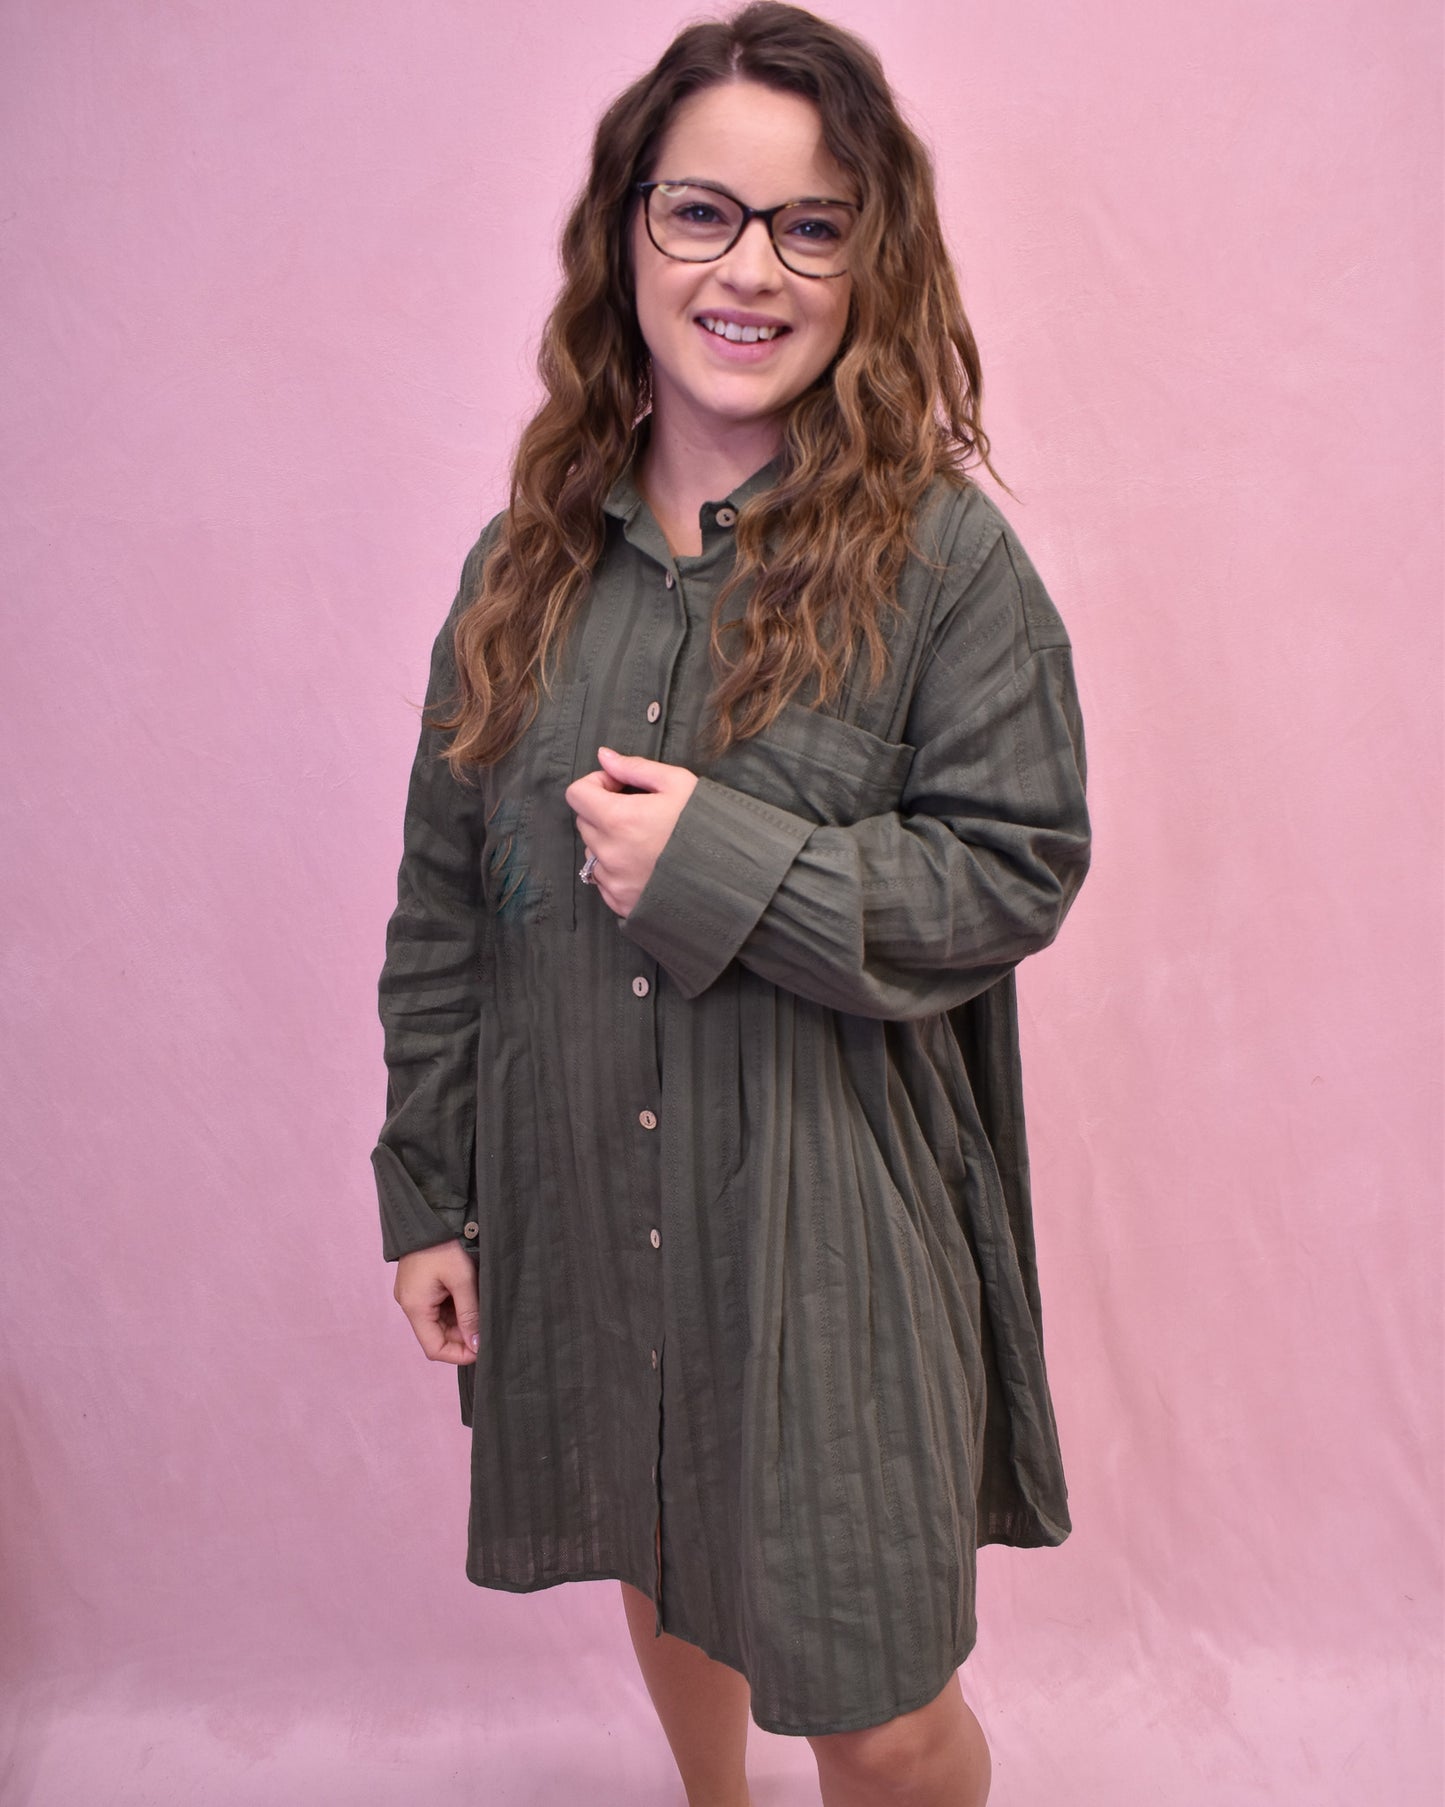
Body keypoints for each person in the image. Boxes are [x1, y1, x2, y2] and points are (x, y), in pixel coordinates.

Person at [371, 5, 1091, 1802]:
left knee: (885, 1704)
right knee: (663, 1557)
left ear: (869, 260)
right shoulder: (526, 558)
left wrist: (719, 863)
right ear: (627, 235)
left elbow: (1014, 866)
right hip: (581, 1201)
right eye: (700, 214)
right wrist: (430, 1187)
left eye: (811, 224)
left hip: (832, 1229)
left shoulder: (944, 558)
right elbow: (446, 901)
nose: (749, 268)